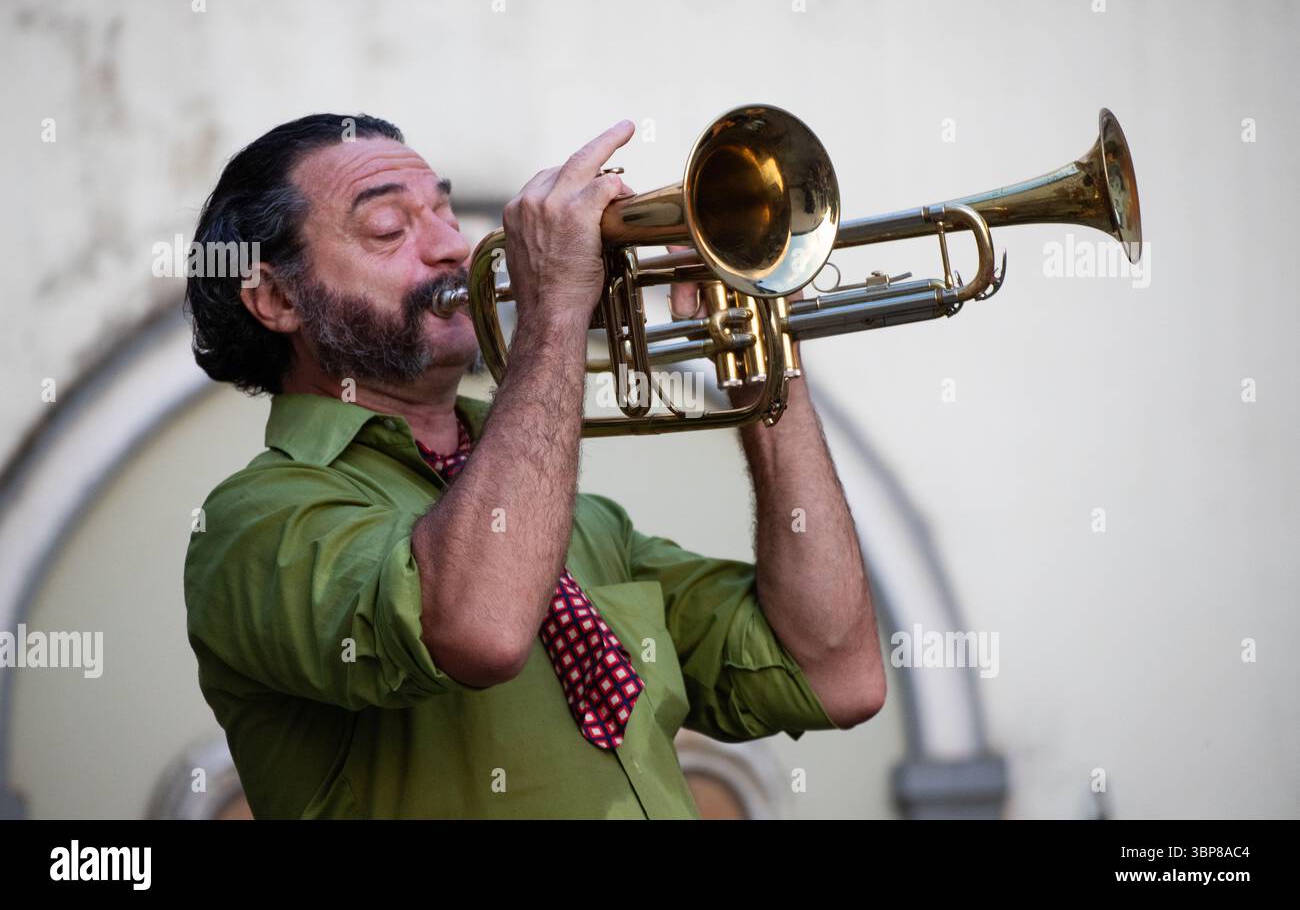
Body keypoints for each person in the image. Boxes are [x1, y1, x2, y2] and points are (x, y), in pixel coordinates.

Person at [182, 112, 885, 818]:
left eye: (445, 211)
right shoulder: (254, 520)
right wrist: (555, 310)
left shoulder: (585, 523)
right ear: (276, 298)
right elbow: (480, 629)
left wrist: (762, 355)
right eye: (389, 229)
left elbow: (835, 674)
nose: (452, 246)